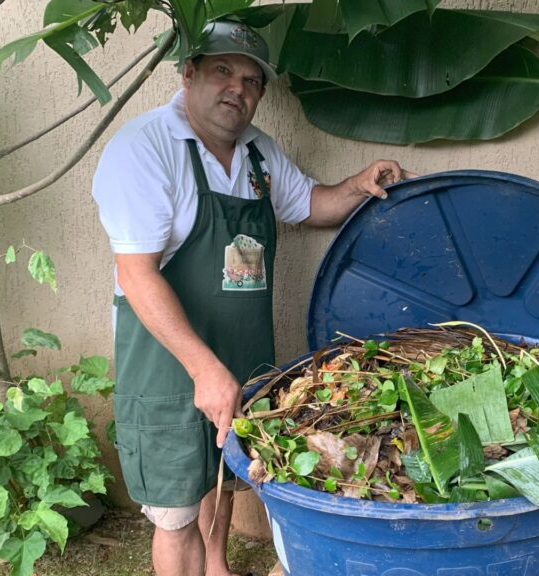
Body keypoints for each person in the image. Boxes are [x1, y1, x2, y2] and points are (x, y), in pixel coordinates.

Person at [91, 18, 409, 576]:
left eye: (252, 79)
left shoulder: (257, 153)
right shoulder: (144, 150)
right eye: (222, 71)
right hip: (169, 365)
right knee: (176, 509)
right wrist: (204, 369)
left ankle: (219, 566)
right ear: (188, 74)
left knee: (225, 471)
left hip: (241, 352)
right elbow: (137, 275)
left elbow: (309, 205)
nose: (237, 88)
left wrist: (358, 185)